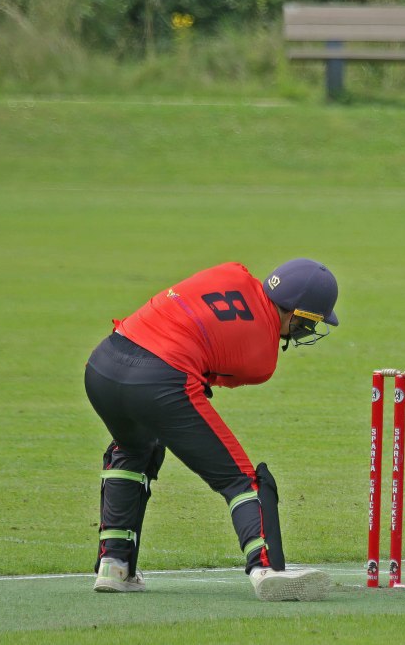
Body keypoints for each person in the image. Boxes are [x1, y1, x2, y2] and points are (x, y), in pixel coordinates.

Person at [84, 258, 338, 602]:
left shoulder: (233, 271)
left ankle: (114, 567)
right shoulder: (263, 359)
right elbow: (202, 376)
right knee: (240, 479)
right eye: (309, 323)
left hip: (103, 364)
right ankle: (266, 570)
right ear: (297, 316)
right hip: (160, 380)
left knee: (133, 448)